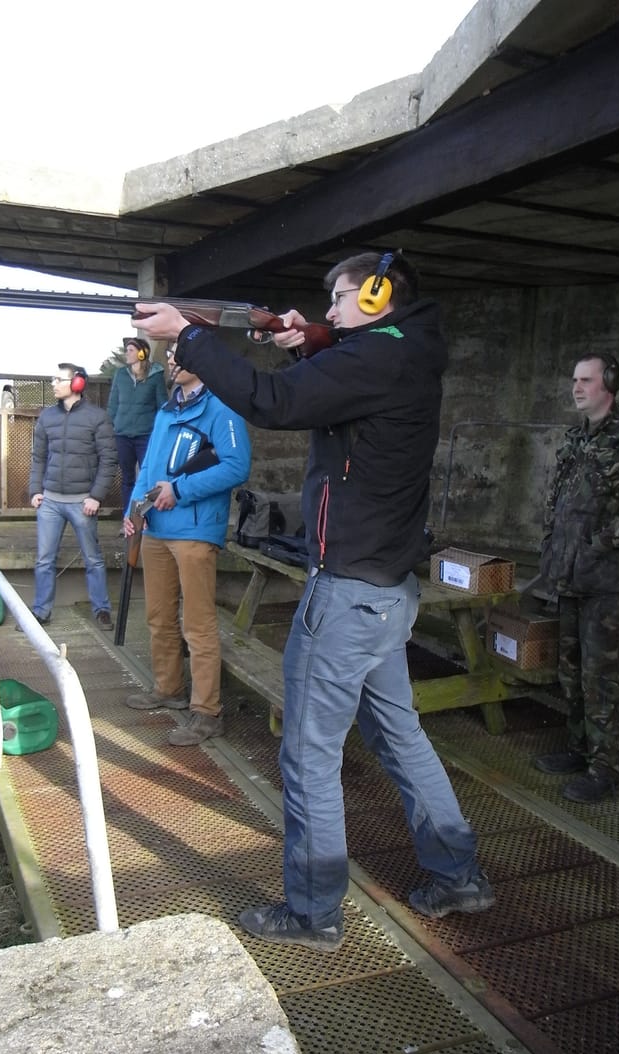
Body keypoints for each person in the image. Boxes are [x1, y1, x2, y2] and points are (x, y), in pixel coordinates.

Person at [130, 251, 494, 953]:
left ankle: (314, 910)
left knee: (307, 756)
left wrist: (192, 336)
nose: (329, 309)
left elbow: (276, 403)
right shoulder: (405, 348)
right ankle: (458, 875)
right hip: (386, 591)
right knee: (400, 738)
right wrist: (311, 341)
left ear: (379, 296)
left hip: (348, 592)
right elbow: (344, 384)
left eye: (341, 298)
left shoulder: (377, 356)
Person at [536, 354, 619, 803]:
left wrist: (600, 542)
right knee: (571, 669)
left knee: (602, 676)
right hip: (570, 574)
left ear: (609, 383)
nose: (576, 388)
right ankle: (579, 749)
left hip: (610, 580)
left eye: (586, 380)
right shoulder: (577, 437)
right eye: (574, 380)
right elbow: (557, 501)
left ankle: (606, 770)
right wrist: (552, 546)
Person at [123, 344, 252, 745]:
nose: (172, 361)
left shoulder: (222, 408)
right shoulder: (167, 411)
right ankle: (168, 689)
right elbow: (148, 469)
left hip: (195, 533)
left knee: (197, 625)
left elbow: (236, 467)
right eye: (170, 355)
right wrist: (133, 510)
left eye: (181, 354)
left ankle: (207, 712)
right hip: (155, 529)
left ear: (204, 359)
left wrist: (180, 490)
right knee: (159, 617)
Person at [27, 363, 118, 631]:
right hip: (50, 502)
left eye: (59, 379)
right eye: (53, 379)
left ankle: (102, 610)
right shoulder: (47, 417)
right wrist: (36, 490)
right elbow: (38, 457)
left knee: (93, 559)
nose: (53, 384)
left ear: (77, 383)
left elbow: (109, 460)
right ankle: (41, 611)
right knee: (44, 560)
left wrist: (96, 496)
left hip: (82, 502)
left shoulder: (97, 417)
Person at [107, 337, 168, 513]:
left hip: (145, 435)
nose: (127, 353)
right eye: (127, 350)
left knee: (149, 477)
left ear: (142, 353)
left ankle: (147, 516)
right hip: (122, 435)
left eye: (131, 350)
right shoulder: (120, 375)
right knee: (127, 479)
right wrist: (110, 426)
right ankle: (128, 516)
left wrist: (160, 431)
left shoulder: (155, 376)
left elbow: (162, 406)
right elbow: (113, 404)